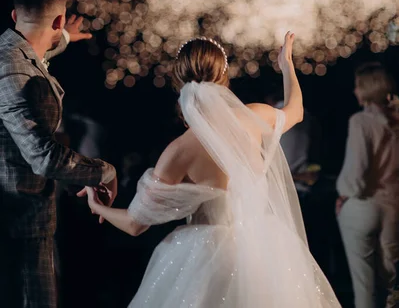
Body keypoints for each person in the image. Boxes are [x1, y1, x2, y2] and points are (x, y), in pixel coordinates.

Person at [86, 33, 341, 307]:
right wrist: (287, 64)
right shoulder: (254, 117)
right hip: (261, 250)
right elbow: (296, 111)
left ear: (178, 81)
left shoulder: (179, 152)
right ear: (223, 76)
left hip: (203, 258)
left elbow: (135, 224)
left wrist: (96, 205)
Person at [0, 0, 118, 308]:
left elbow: (34, 56)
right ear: (57, 18)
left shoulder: (9, 49)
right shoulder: (11, 71)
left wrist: (63, 36)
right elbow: (44, 158)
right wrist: (103, 171)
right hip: (19, 225)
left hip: (25, 219)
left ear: (14, 15)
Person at [336, 62, 399, 308]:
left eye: (357, 86)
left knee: (364, 285)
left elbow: (356, 174)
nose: (354, 91)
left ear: (366, 89)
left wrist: (343, 195)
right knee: (389, 284)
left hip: (363, 207)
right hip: (393, 208)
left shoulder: (360, 122)